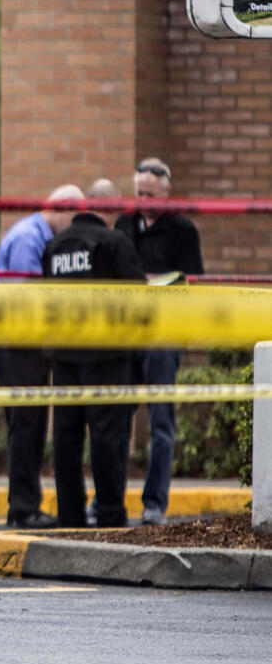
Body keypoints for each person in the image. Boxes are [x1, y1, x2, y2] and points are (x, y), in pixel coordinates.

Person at [42, 178, 147, 529]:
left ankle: (70, 515)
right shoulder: (116, 242)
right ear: (111, 209)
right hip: (107, 357)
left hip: (65, 357)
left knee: (67, 439)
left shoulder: (55, 246)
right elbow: (138, 300)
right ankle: (110, 515)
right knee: (107, 440)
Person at [0, 184, 85, 529]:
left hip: (19, 342)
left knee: (28, 424)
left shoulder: (32, 233)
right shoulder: (30, 238)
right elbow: (28, 300)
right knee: (26, 426)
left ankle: (25, 505)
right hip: (16, 342)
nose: (74, 229)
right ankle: (24, 508)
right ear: (60, 210)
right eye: (74, 219)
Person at [116, 158, 204, 525]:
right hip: (127, 335)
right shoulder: (124, 224)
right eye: (138, 193)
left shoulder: (183, 230)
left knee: (161, 424)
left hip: (164, 336)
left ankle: (154, 505)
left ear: (166, 193)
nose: (143, 200)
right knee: (114, 418)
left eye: (150, 194)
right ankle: (108, 500)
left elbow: (193, 283)